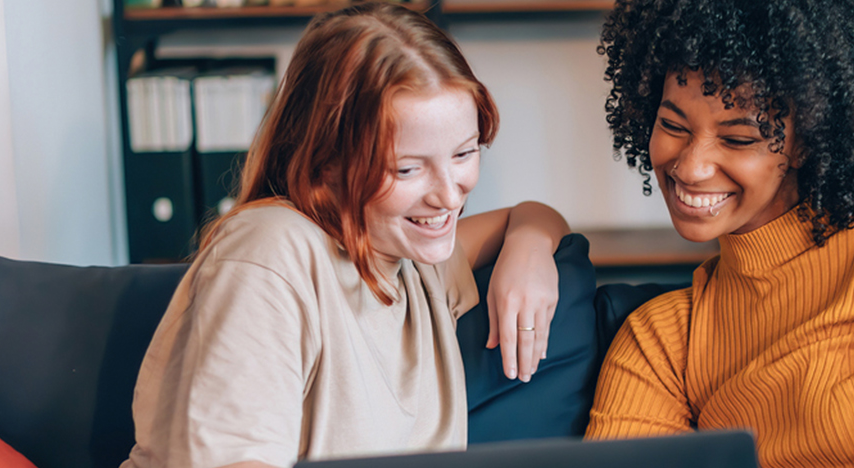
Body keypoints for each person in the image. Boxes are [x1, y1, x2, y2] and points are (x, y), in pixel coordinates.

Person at [121, 4, 571, 468]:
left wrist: (529, 248)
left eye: (464, 153)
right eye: (407, 168)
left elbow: (535, 216)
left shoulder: (411, 259)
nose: (447, 196)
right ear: (326, 163)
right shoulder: (271, 253)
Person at [585, 0, 854, 467]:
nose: (690, 166)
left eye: (738, 138)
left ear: (810, 139)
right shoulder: (661, 340)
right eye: (672, 126)